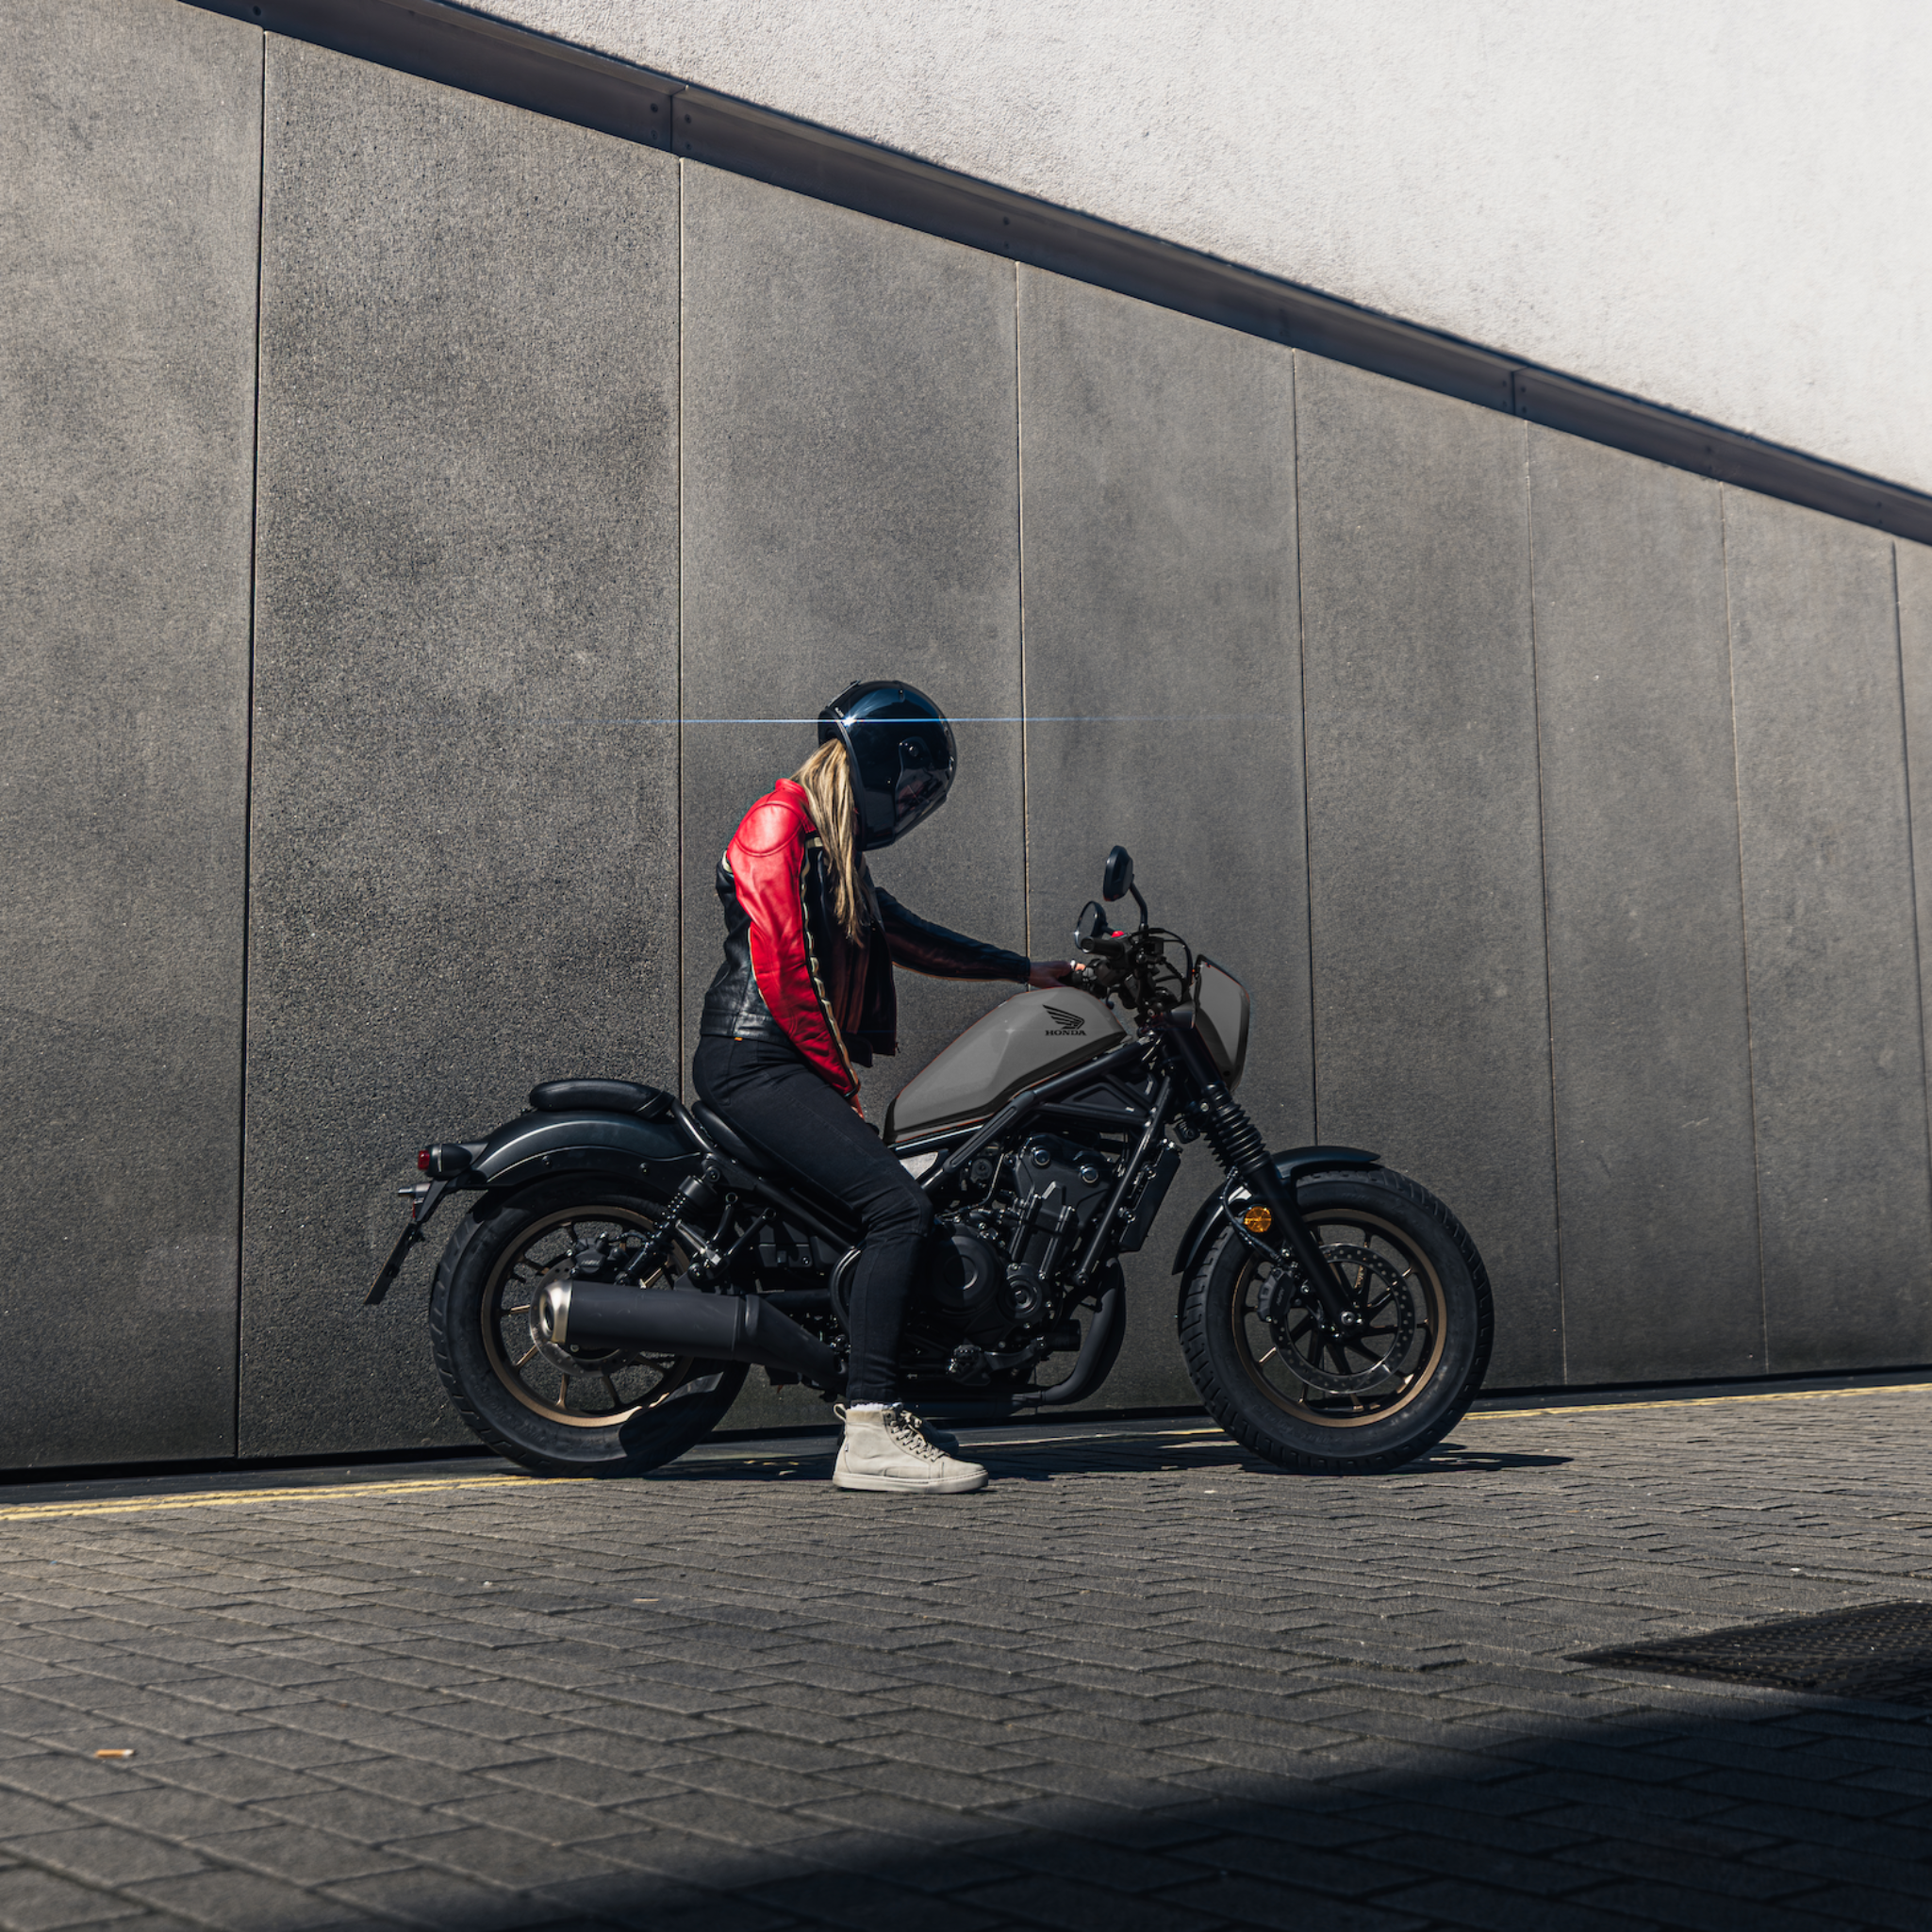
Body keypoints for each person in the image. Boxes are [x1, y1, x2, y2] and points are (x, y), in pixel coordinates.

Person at [694, 681, 1073, 1495]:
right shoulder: (779, 824)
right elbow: (785, 968)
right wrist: (839, 1083)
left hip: (775, 1060)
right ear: (875, 761)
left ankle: (884, 1395)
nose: (910, 803)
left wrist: (1022, 969)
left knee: (894, 1202)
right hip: (755, 1059)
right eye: (911, 785)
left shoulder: (831, 849)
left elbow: (906, 935)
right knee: (898, 1208)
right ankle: (868, 1432)